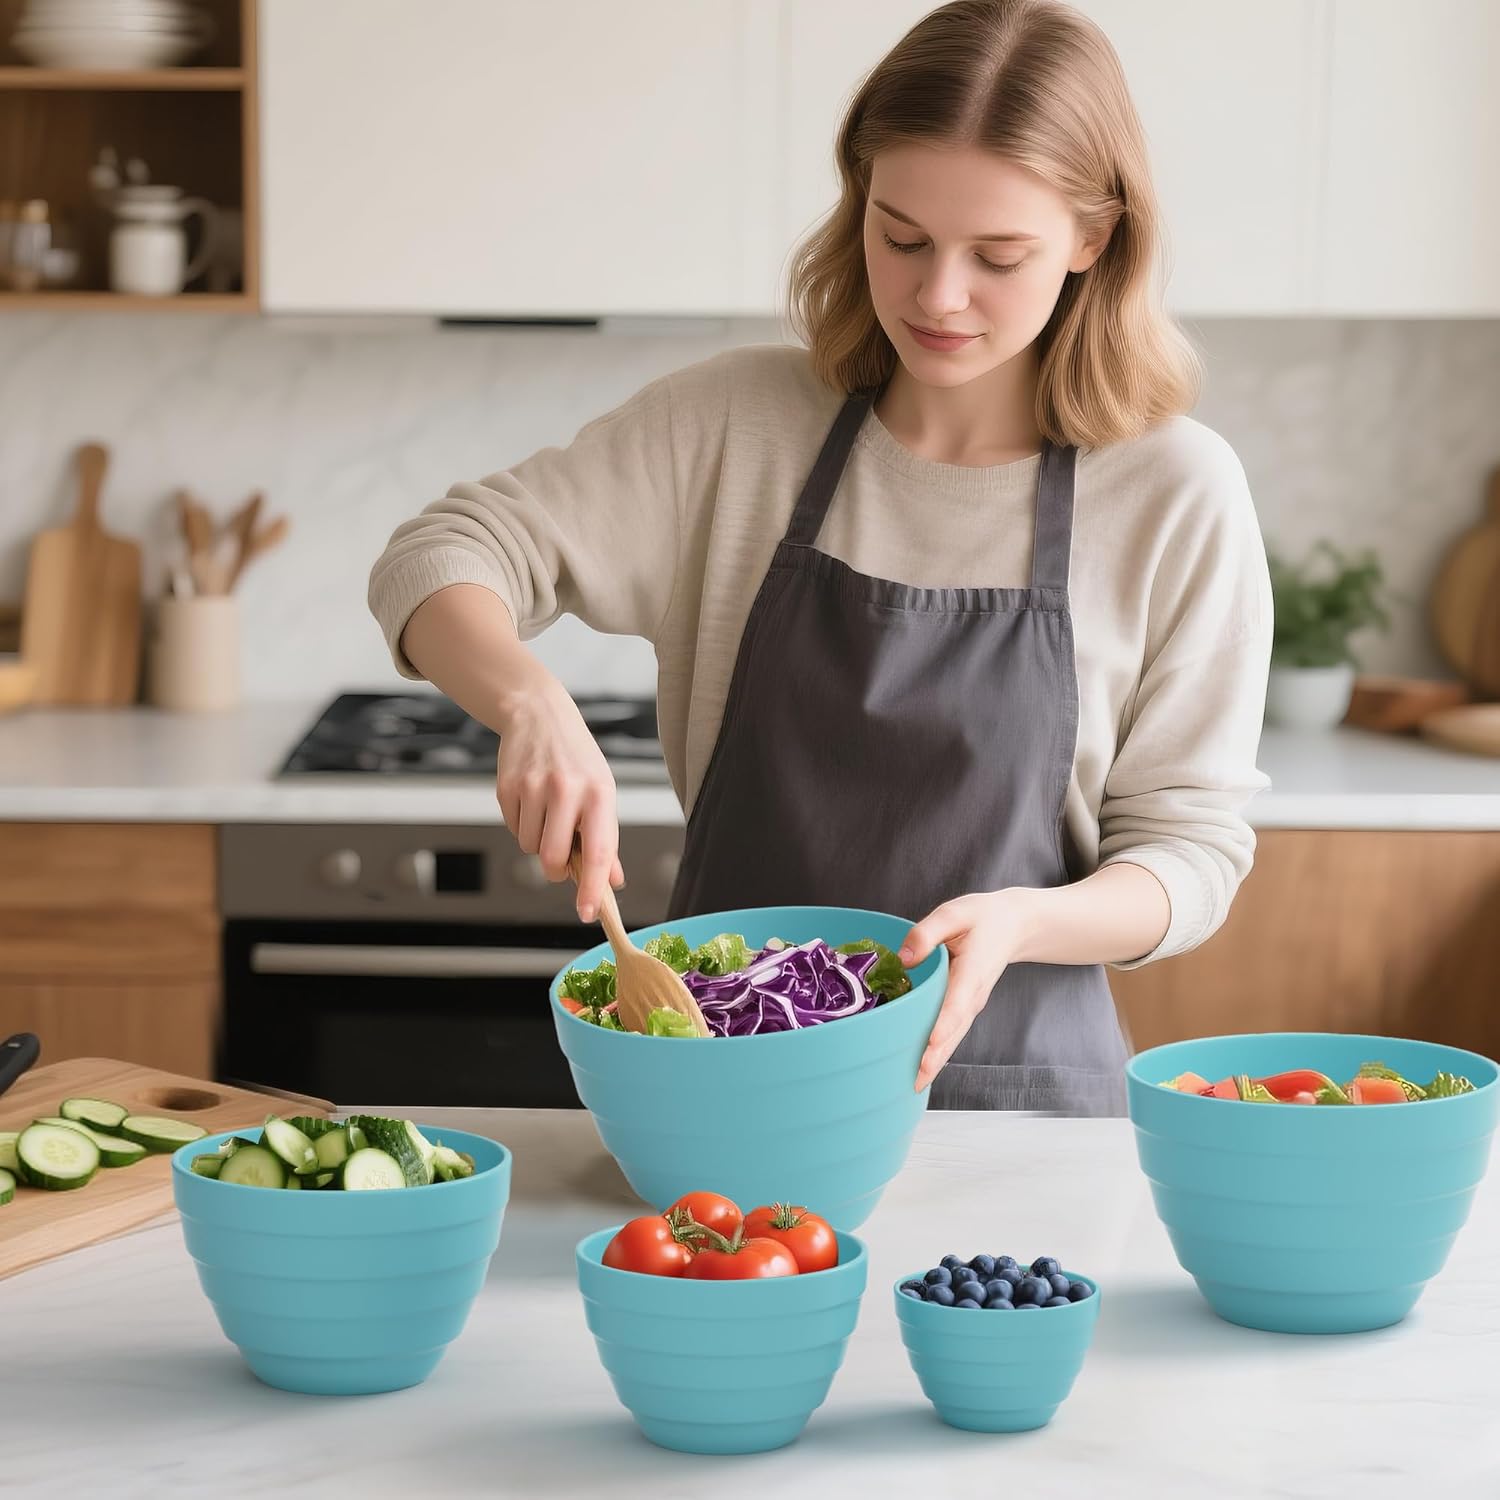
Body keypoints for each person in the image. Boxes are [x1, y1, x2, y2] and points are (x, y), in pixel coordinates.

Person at [368, 0, 1271, 1116]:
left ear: (1093, 238)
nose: (939, 296)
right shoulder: (739, 426)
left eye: (998, 256)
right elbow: (438, 552)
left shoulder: (1174, 490)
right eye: (901, 237)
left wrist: (1027, 920)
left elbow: (1189, 855)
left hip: (1017, 1109)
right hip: (728, 1097)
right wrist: (529, 703)